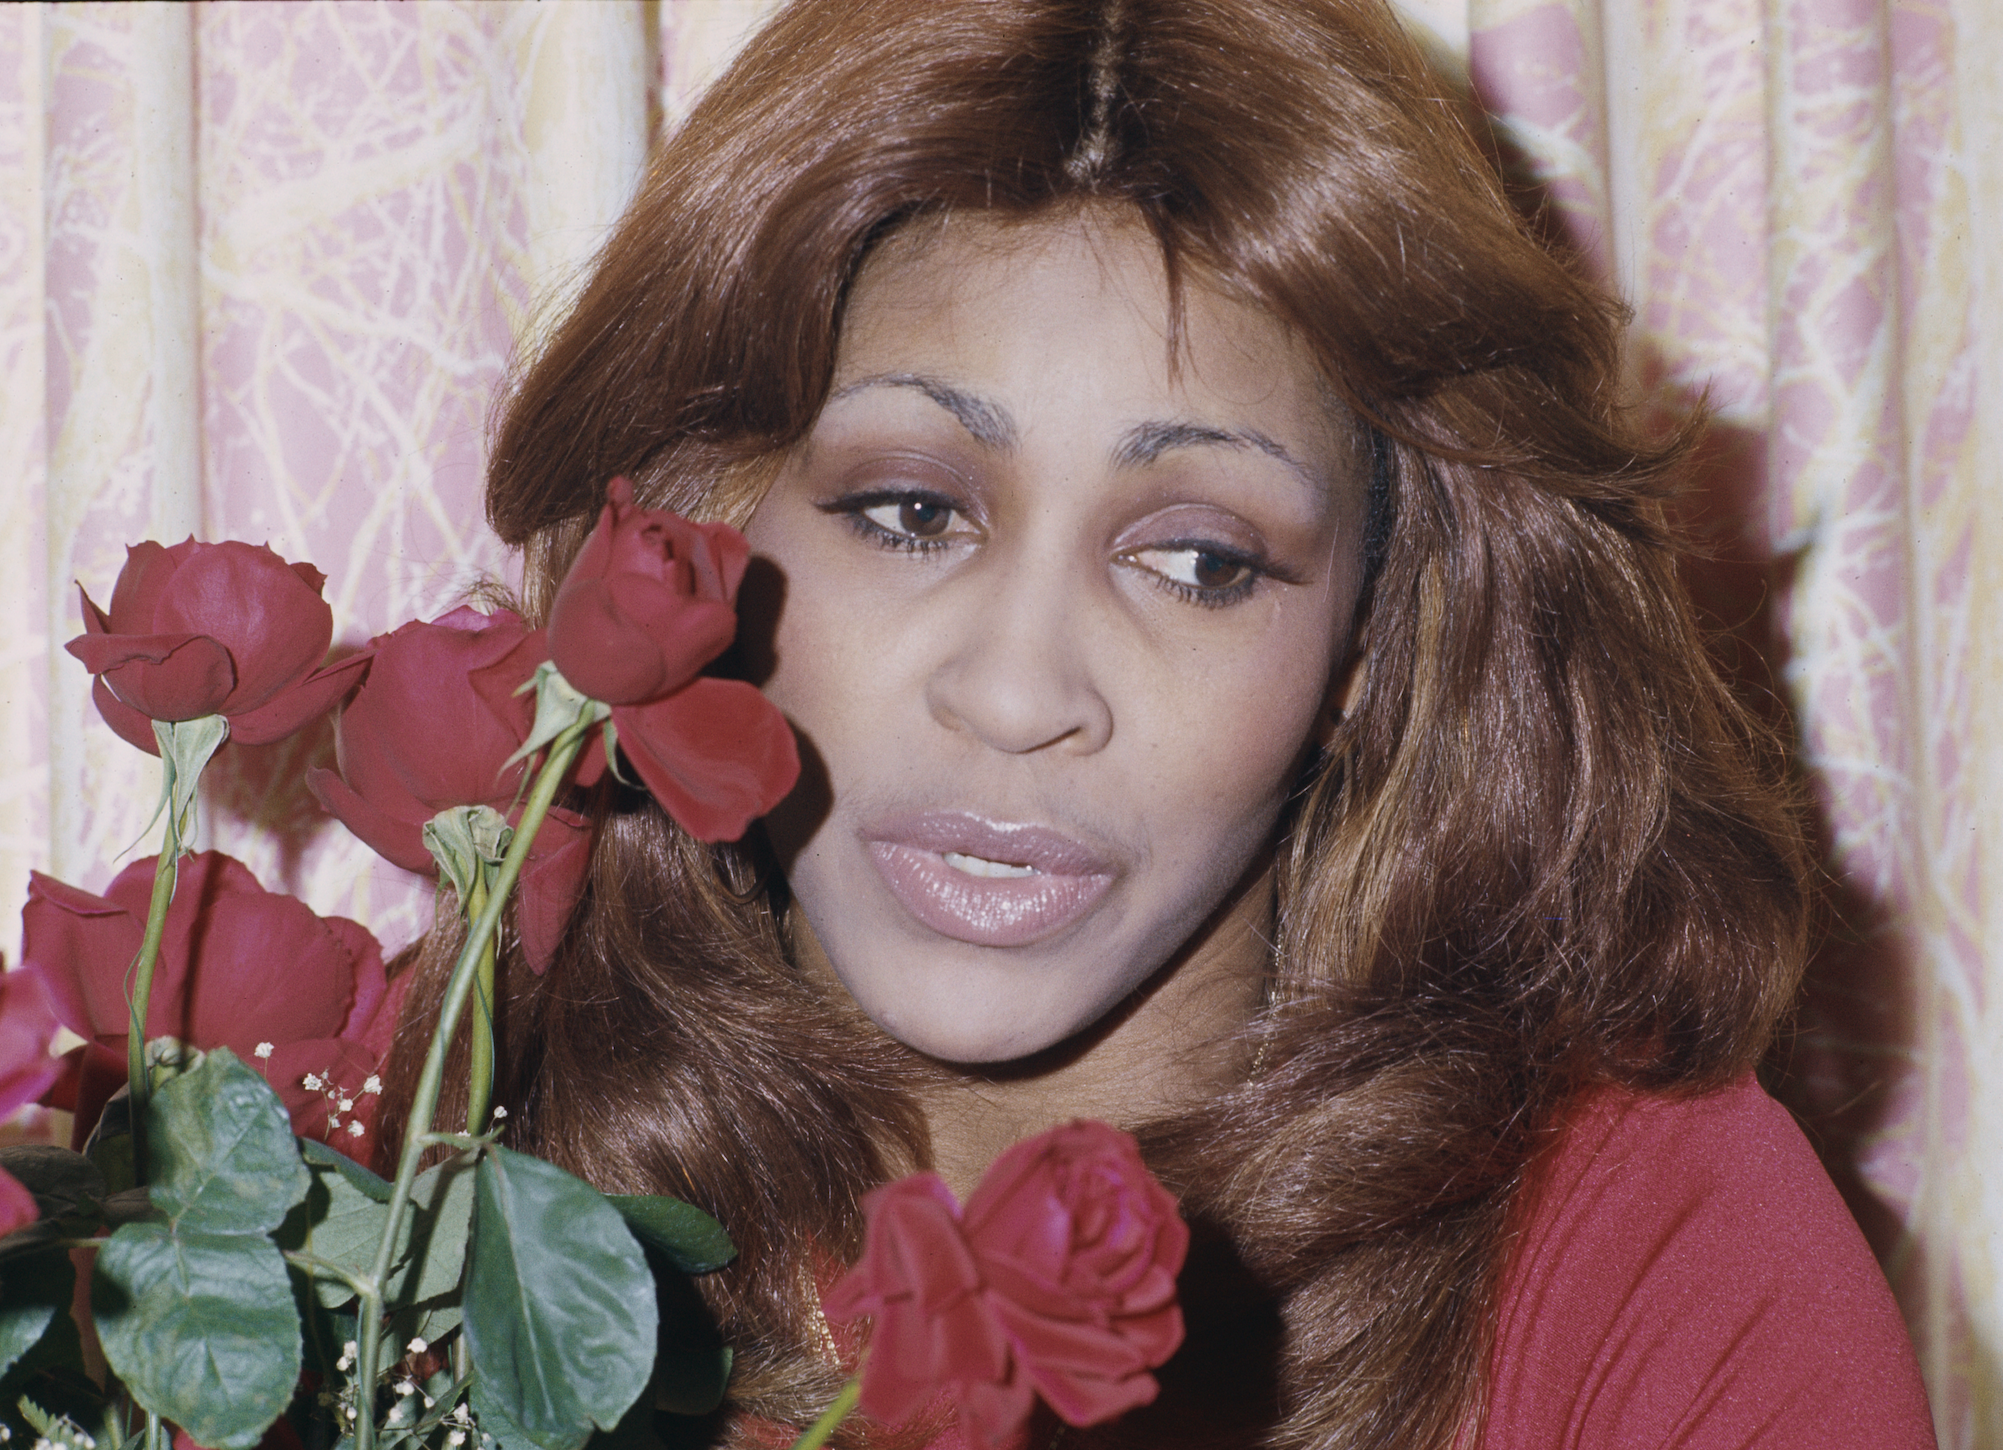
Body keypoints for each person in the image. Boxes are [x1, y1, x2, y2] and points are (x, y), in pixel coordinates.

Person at [379, 1, 1938, 1445]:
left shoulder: (1651, 1258)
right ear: (706, 523)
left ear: (1371, 640)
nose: (1017, 691)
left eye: (1198, 559)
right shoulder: (413, 1154)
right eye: (911, 510)